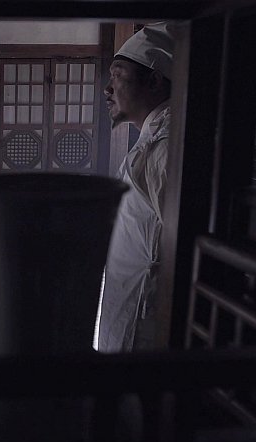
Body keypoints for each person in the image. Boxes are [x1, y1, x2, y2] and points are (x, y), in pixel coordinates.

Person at [97, 22, 175, 352]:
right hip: (130, 298)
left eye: (118, 76)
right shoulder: (152, 140)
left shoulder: (165, 147)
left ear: (154, 81)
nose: (108, 89)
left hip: (144, 308)